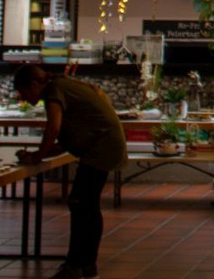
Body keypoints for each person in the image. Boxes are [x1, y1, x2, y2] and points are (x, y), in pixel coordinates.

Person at [12, 64, 127, 279]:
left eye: (24, 92)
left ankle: (77, 265)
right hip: (105, 144)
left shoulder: (54, 91)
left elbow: (54, 127)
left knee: (82, 204)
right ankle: (85, 266)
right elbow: (71, 133)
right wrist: (41, 153)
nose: (24, 98)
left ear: (34, 84)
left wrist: (38, 156)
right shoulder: (63, 85)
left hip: (101, 148)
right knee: (86, 205)